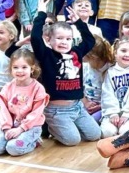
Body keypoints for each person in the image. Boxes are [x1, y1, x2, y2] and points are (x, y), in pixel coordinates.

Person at [31, 9, 100, 146]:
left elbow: (90, 40)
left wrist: (78, 22)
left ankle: (67, 126)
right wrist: (41, 14)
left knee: (95, 135)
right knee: (73, 140)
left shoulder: (76, 53)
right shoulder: (46, 54)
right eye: (59, 38)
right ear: (48, 40)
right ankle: (50, 126)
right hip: (56, 111)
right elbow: (35, 38)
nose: (64, 42)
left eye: (68, 39)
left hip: (77, 107)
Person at [0, 50, 50, 157]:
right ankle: (14, 140)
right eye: (15, 67)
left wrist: (21, 129)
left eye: (24, 67)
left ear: (32, 68)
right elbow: (4, 111)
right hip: (10, 126)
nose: (19, 71)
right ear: (11, 69)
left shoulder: (38, 88)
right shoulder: (7, 87)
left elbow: (36, 114)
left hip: (30, 127)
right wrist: (6, 129)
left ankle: (34, 141)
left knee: (13, 148)